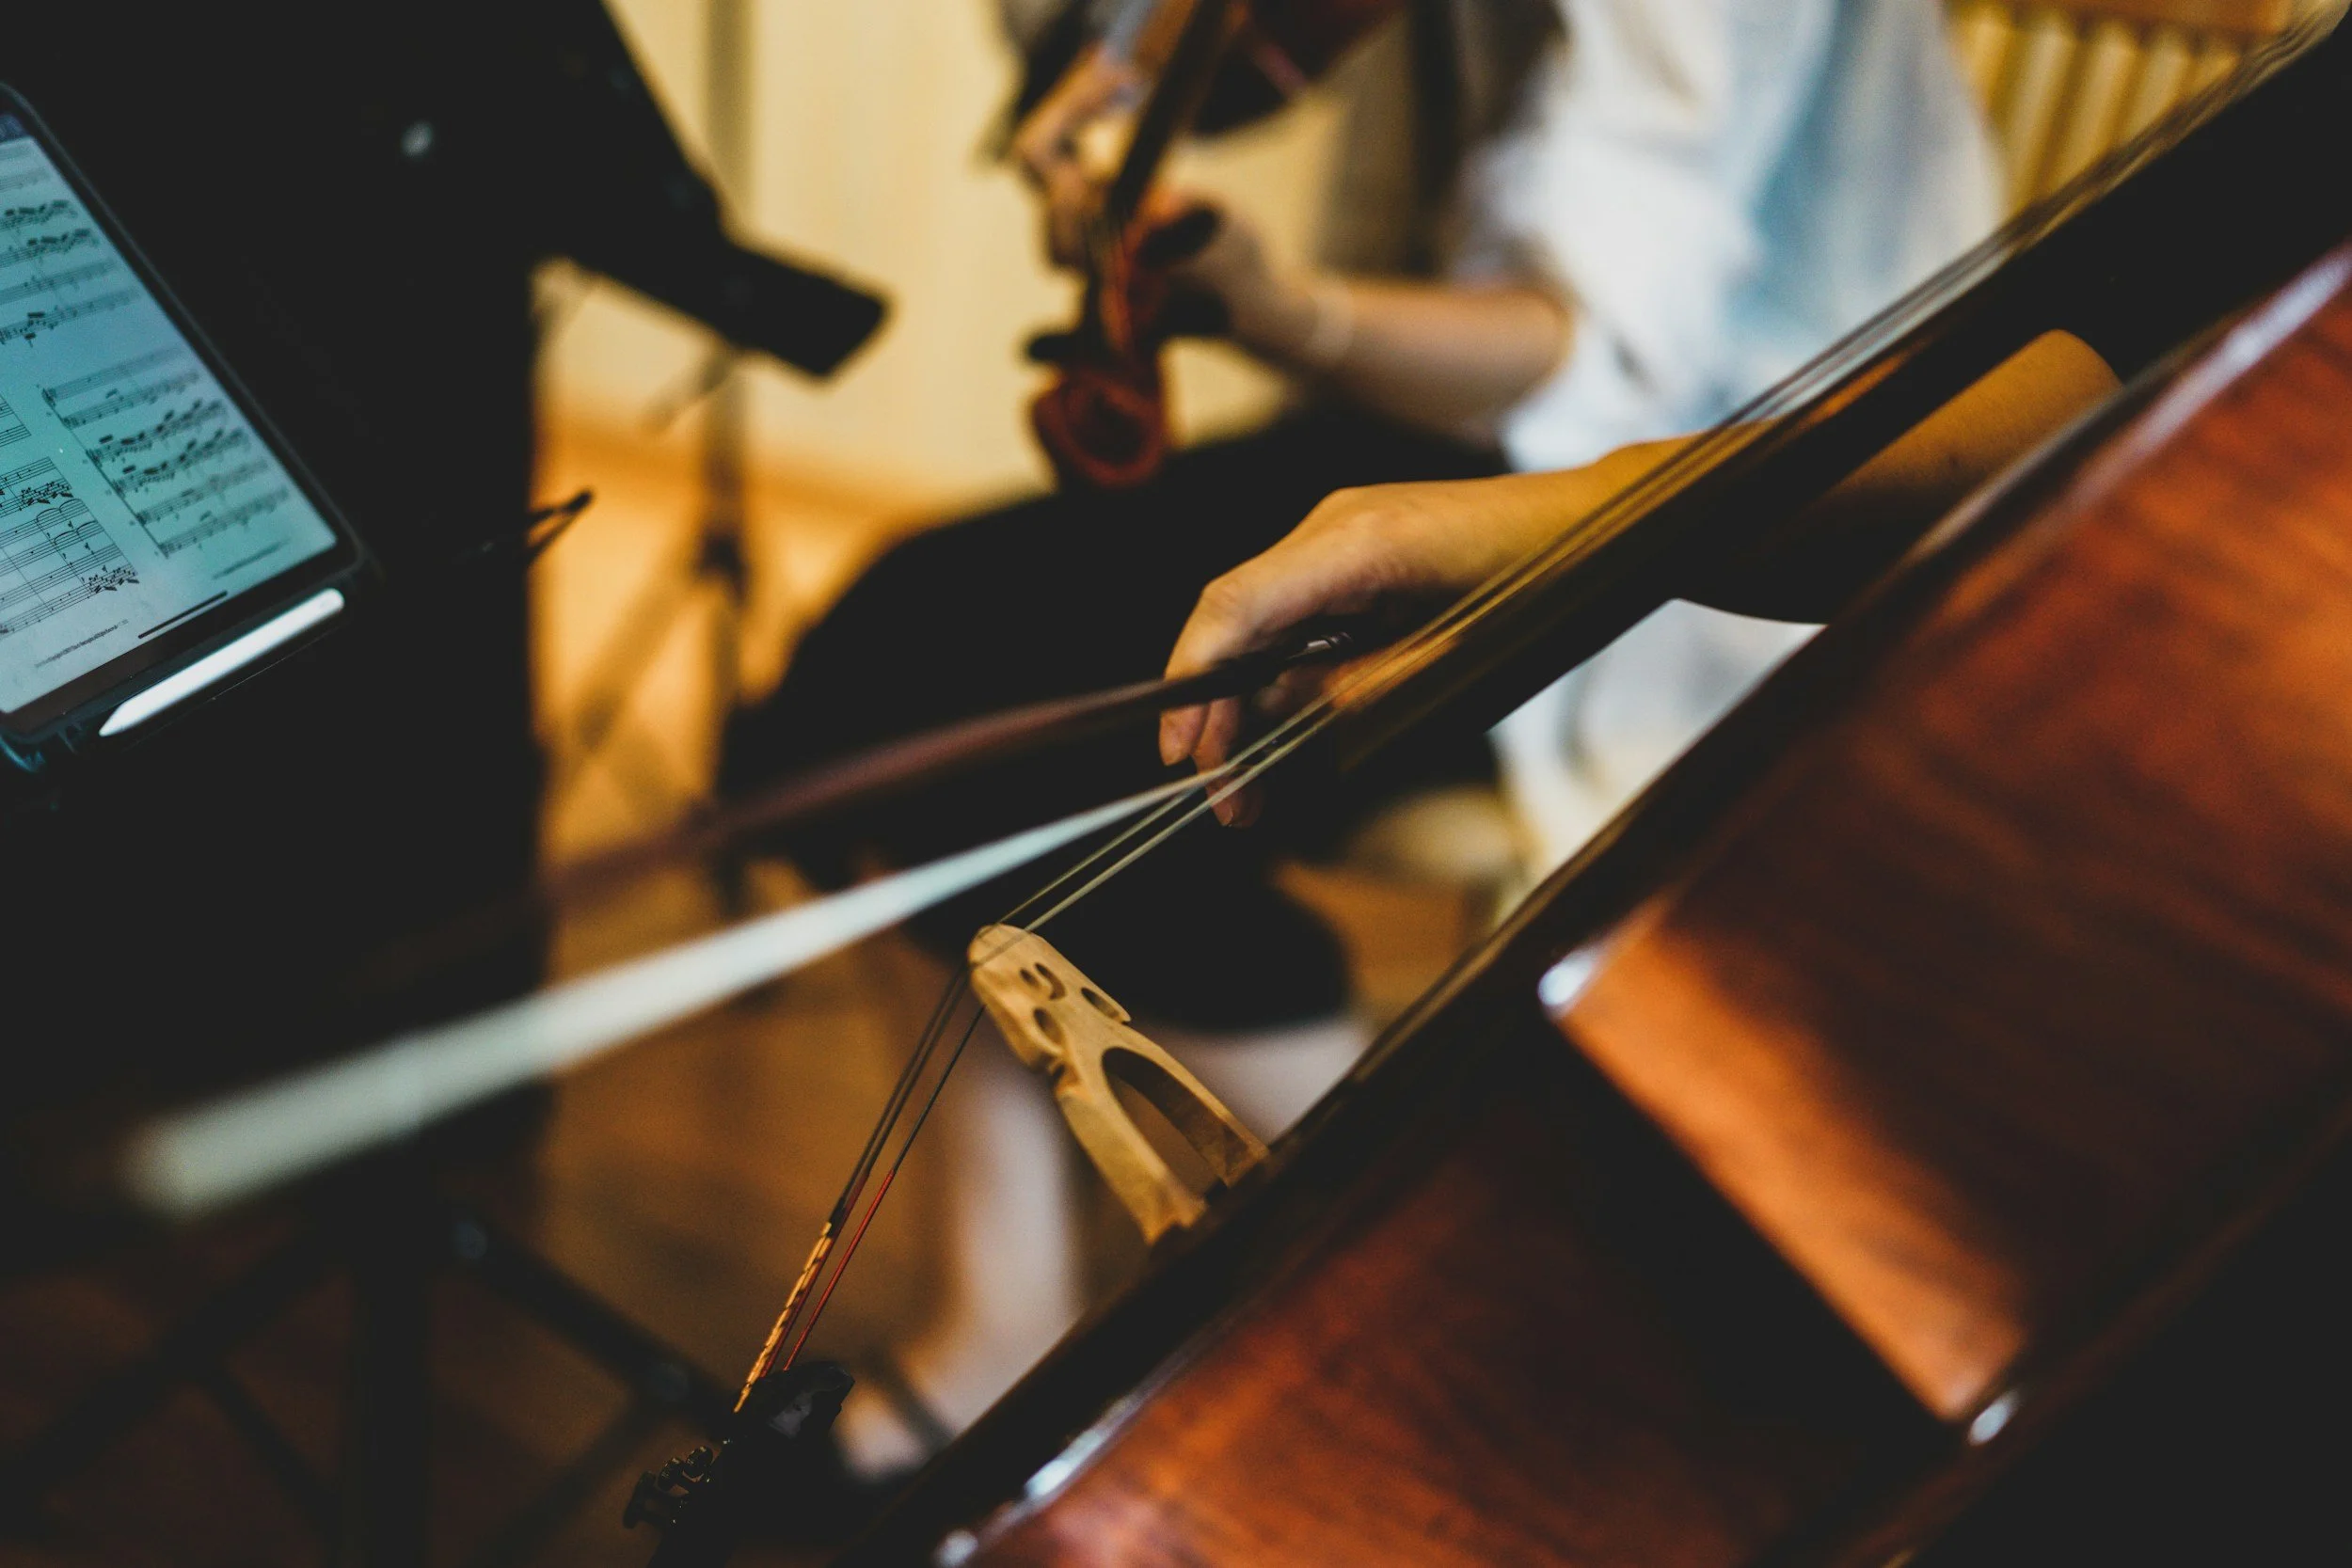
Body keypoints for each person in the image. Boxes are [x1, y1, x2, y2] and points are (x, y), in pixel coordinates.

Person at [729, 0, 2002, 1470]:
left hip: (1723, 506)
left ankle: (1406, 1287)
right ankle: (1000, 1317)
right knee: (892, 639)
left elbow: (1583, 353)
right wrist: (1106, 67)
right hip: (1449, 428)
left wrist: (1290, 311)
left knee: (1055, 711)